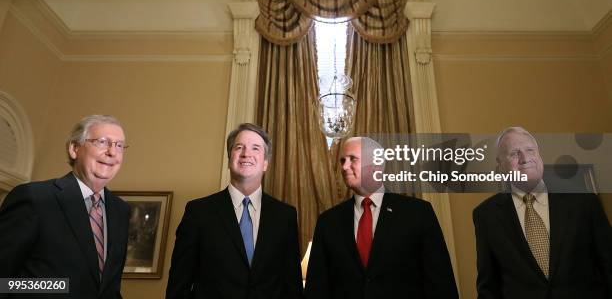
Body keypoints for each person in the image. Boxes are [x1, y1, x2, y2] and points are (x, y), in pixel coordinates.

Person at [304, 136, 458, 298]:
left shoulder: (417, 213)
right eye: (343, 161)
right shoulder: (328, 222)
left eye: (352, 159)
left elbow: (441, 284)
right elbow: (316, 289)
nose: (344, 167)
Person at [165, 123, 302, 299]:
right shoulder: (198, 212)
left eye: (255, 148)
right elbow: (179, 284)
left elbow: (292, 286)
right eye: (239, 147)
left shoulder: (285, 216)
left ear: (266, 163)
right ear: (229, 158)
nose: (246, 154)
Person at [0, 114, 131, 299]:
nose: (112, 152)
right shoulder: (35, 198)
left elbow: (109, 287)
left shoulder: (120, 211)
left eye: (119, 145)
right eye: (102, 142)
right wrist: (59, 286)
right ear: (74, 148)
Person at [473, 126, 612, 298]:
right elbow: (488, 288)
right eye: (514, 153)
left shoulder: (583, 201)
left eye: (530, 150)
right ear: (500, 165)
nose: (525, 159)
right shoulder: (485, 216)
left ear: (539, 156)